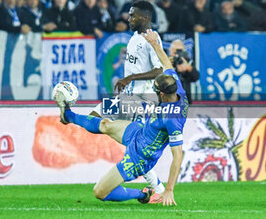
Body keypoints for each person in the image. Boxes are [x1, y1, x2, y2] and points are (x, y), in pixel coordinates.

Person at [55, 29, 187, 206]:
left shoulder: (173, 120)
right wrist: (155, 43)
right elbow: (166, 64)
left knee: (99, 191)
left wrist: (170, 190)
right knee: (104, 124)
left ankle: (141, 195)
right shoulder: (175, 85)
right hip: (139, 133)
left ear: (162, 94)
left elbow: (177, 156)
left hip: (139, 158)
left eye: (156, 91)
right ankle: (68, 115)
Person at [90, 0, 165, 203]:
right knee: (94, 116)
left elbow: (160, 70)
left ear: (146, 17)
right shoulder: (134, 37)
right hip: (126, 97)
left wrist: (130, 78)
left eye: (133, 15)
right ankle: (155, 188)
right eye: (129, 15)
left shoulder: (152, 38)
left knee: (134, 147)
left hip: (142, 99)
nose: (129, 18)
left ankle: (157, 189)